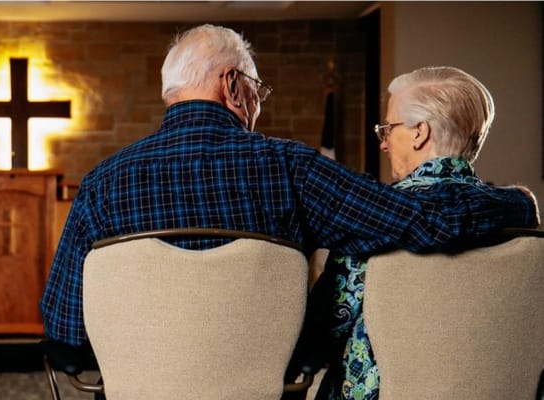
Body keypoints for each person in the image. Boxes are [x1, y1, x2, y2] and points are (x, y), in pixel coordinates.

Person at [39, 23, 538, 385]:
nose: (258, 102)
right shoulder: (290, 167)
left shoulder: (101, 184)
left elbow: (64, 335)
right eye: (257, 90)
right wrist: (515, 205)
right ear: (234, 86)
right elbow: (426, 222)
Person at [306, 66, 534, 400]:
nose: (383, 144)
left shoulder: (374, 223)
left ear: (419, 133)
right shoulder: (520, 215)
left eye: (387, 129)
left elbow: (326, 331)